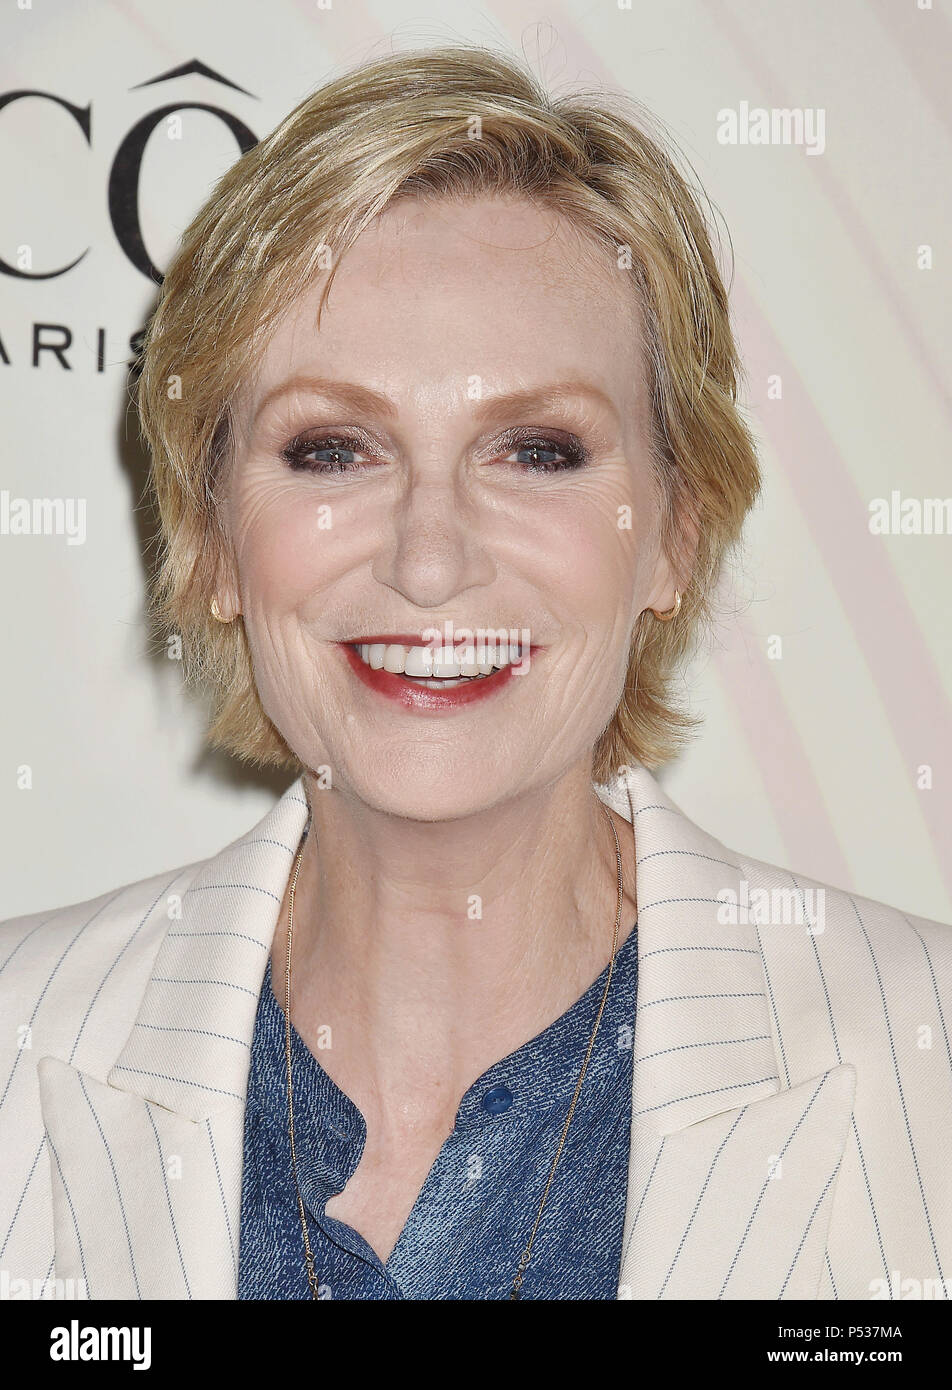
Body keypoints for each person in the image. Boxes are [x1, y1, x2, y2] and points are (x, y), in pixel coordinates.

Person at [2, 44, 949, 1303]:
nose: (431, 560)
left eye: (539, 451)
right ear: (217, 536)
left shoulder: (920, 1049)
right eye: (333, 449)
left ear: (676, 529)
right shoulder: (20, 1040)